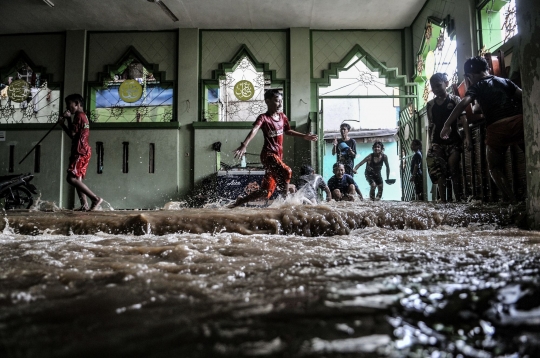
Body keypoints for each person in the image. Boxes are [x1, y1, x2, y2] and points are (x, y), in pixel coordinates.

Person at [440, 56, 523, 203]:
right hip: (518, 123)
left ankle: (512, 200)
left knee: (494, 167)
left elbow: (463, 103)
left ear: (469, 76)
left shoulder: (476, 86)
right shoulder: (505, 81)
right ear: (488, 69)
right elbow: (523, 96)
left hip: (497, 128)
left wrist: (447, 124)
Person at [228, 89, 318, 208]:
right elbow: (255, 129)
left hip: (278, 156)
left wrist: (304, 136)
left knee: (266, 193)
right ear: (268, 101)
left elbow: (288, 131)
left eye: (281, 101)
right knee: (287, 171)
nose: (280, 104)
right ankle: (286, 202)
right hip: (268, 155)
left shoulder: (282, 117)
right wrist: (245, 144)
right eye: (277, 101)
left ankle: (240, 201)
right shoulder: (264, 118)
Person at [426, 73, 471, 202]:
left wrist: (467, 137)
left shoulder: (455, 100)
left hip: (454, 141)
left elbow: (464, 119)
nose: (436, 89)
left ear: (446, 83)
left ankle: (458, 198)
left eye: (439, 86)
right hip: (437, 142)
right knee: (440, 172)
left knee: (453, 169)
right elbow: (431, 125)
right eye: (433, 87)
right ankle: (443, 201)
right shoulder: (430, 105)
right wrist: (431, 144)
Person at [57, 94, 103, 211]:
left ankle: (95, 198)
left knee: (70, 179)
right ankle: (84, 205)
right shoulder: (84, 116)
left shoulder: (78, 116)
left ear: (77, 104)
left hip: (80, 151)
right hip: (84, 150)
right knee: (77, 179)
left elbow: (72, 135)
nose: (68, 108)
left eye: (69, 105)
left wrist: (65, 121)